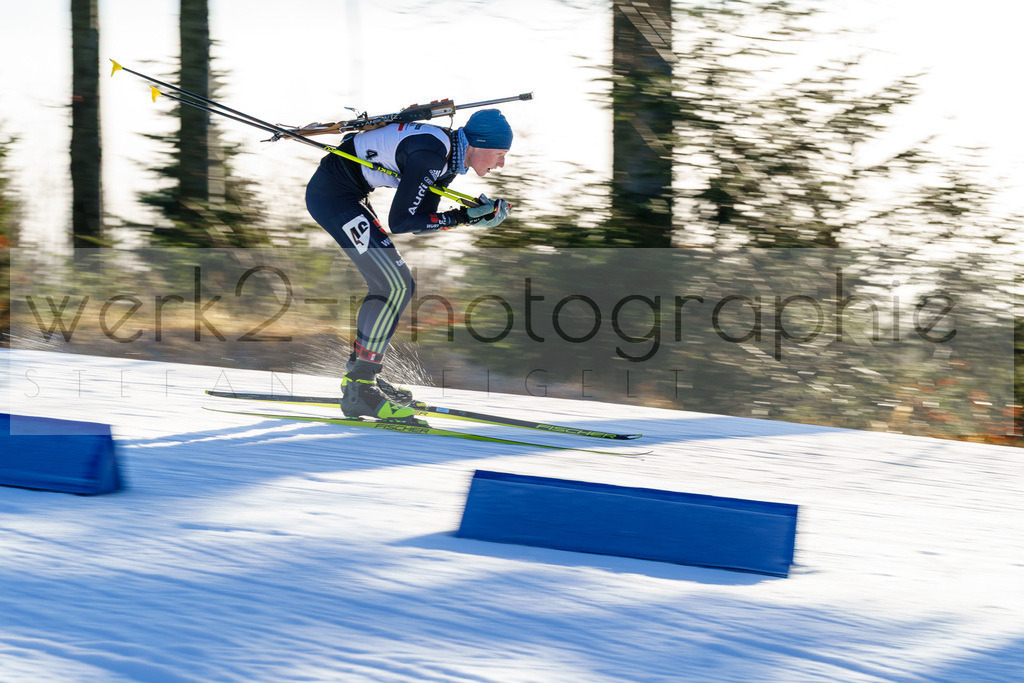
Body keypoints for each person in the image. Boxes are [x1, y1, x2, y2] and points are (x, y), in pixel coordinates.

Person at [305, 108, 513, 420]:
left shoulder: (449, 156)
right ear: (477, 145)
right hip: (333, 198)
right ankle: (360, 386)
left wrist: (468, 217)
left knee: (394, 284)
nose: (501, 163)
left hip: (349, 196)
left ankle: (362, 376)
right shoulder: (433, 153)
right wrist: (462, 217)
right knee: (395, 284)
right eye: (499, 154)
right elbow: (401, 221)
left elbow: (420, 219)